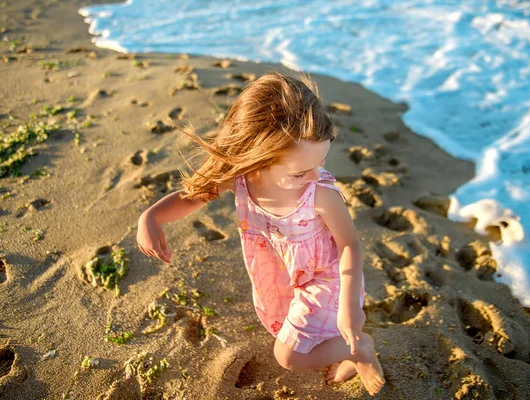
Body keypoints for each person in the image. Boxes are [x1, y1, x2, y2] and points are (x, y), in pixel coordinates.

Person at [136, 71, 385, 396]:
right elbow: (194, 195)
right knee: (296, 328)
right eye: (299, 171)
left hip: (328, 279)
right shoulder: (242, 176)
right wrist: (151, 217)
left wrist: (350, 307)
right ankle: (341, 343)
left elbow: (350, 244)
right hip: (285, 271)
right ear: (257, 160)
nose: (315, 175)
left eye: (321, 160)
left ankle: (359, 350)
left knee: (289, 356)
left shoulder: (320, 194)